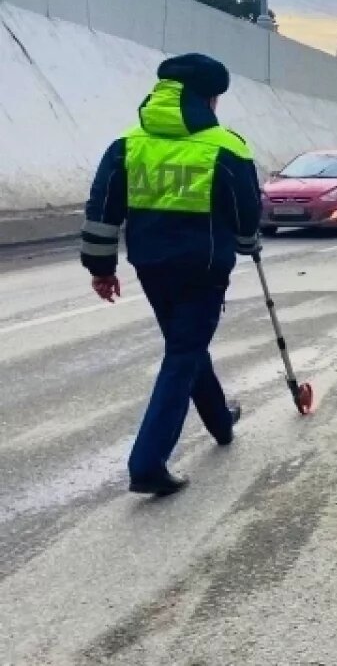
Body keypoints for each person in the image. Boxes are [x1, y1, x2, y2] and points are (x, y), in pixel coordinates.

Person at [81, 54, 263, 497]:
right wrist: (246, 244)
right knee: (183, 353)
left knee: (186, 345)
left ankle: (221, 421)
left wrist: (102, 269)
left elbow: (103, 213)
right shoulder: (227, 146)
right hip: (203, 270)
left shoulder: (126, 145)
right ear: (209, 98)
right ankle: (147, 462)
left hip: (151, 267)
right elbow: (246, 213)